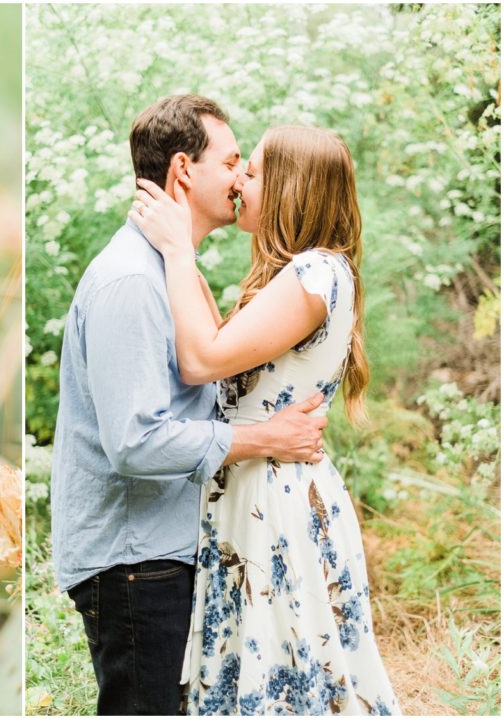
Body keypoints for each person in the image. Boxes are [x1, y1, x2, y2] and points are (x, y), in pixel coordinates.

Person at [50, 95, 329, 716]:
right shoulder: (131, 282)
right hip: (133, 561)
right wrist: (267, 438)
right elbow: (136, 442)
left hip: (158, 553)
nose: (240, 180)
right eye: (233, 162)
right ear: (184, 171)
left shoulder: (167, 273)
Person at [129, 124, 401, 715]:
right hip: (254, 489)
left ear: (288, 187)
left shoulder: (313, 274)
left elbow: (201, 359)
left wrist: (177, 251)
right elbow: (218, 346)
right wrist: (187, 256)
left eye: (250, 171)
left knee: (285, 683)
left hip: (274, 500)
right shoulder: (302, 274)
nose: (237, 183)